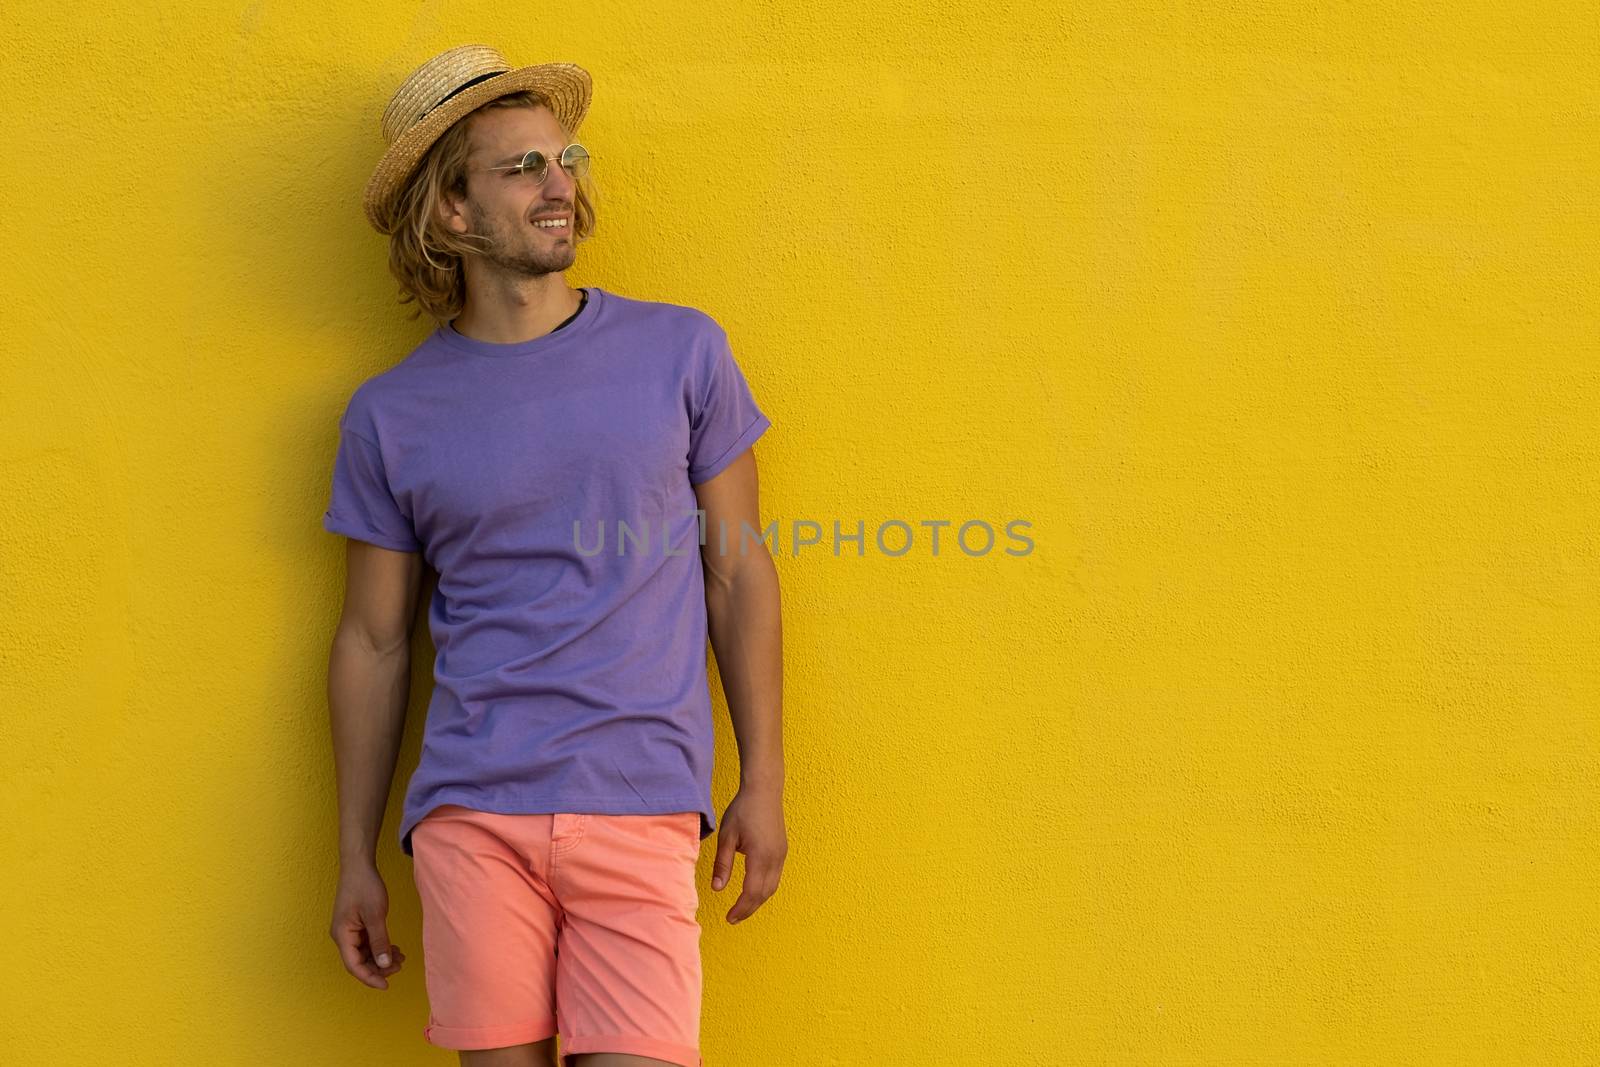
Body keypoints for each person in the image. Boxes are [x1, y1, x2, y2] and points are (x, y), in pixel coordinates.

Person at [321, 44, 786, 1067]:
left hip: (642, 799)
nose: (560, 184)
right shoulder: (390, 414)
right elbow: (372, 638)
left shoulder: (682, 351)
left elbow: (738, 568)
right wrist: (354, 852)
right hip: (470, 813)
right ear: (451, 212)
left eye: (563, 157)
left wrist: (764, 773)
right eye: (521, 167)